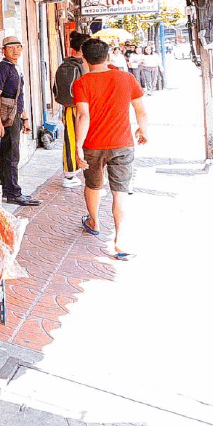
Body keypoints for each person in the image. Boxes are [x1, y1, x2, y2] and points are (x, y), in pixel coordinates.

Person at [73, 37, 148, 259]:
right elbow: (140, 110)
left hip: (93, 144)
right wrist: (143, 130)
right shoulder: (126, 78)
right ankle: (120, 242)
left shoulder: (82, 83)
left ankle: (94, 222)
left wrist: (77, 146)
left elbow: (83, 115)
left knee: (94, 185)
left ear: (84, 58)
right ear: (108, 56)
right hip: (123, 144)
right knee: (120, 193)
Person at [0, 35, 38, 206]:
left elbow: (19, 96)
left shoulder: (15, 68)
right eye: (11, 47)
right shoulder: (2, 68)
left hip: (15, 116)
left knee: (8, 152)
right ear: (3, 51)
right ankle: (13, 193)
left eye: (18, 47)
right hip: (6, 118)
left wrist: (24, 118)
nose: (16, 50)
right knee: (11, 154)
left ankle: (7, 190)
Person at [53, 31, 90, 188]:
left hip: (68, 108)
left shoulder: (65, 64)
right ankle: (75, 173)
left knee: (70, 139)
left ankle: (70, 173)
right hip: (82, 108)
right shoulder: (83, 65)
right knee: (82, 139)